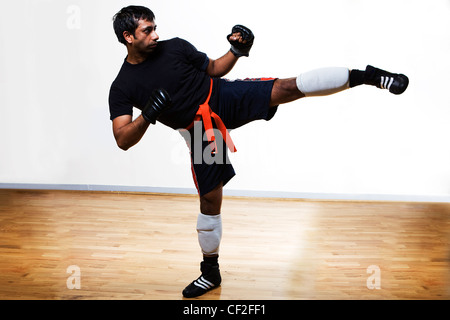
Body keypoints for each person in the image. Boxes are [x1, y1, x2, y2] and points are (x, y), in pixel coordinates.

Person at [108, 5, 408, 298]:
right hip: (200, 130)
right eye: (148, 31)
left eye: (155, 28)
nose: (156, 35)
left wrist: (236, 52)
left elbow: (214, 68)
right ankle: (210, 272)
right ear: (128, 37)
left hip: (223, 95)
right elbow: (123, 139)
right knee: (210, 200)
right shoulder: (122, 86)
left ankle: (369, 76)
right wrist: (147, 115)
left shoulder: (175, 47)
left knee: (287, 87)